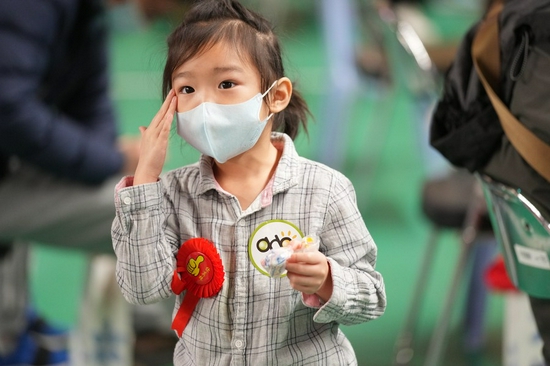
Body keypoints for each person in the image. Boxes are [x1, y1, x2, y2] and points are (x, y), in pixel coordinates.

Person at [110, 0, 387, 364]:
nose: (205, 105)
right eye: (187, 89)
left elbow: (371, 298)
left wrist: (327, 280)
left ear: (276, 96)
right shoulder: (169, 194)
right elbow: (142, 289)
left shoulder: (324, 189)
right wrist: (145, 182)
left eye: (226, 83)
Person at [0, 0, 189, 363]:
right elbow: (8, 110)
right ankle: (155, 338)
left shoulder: (86, 14)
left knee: (146, 192)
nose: (153, 10)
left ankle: (148, 334)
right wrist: (113, 159)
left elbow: (91, 107)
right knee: (165, 212)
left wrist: (117, 163)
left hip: (8, 167)